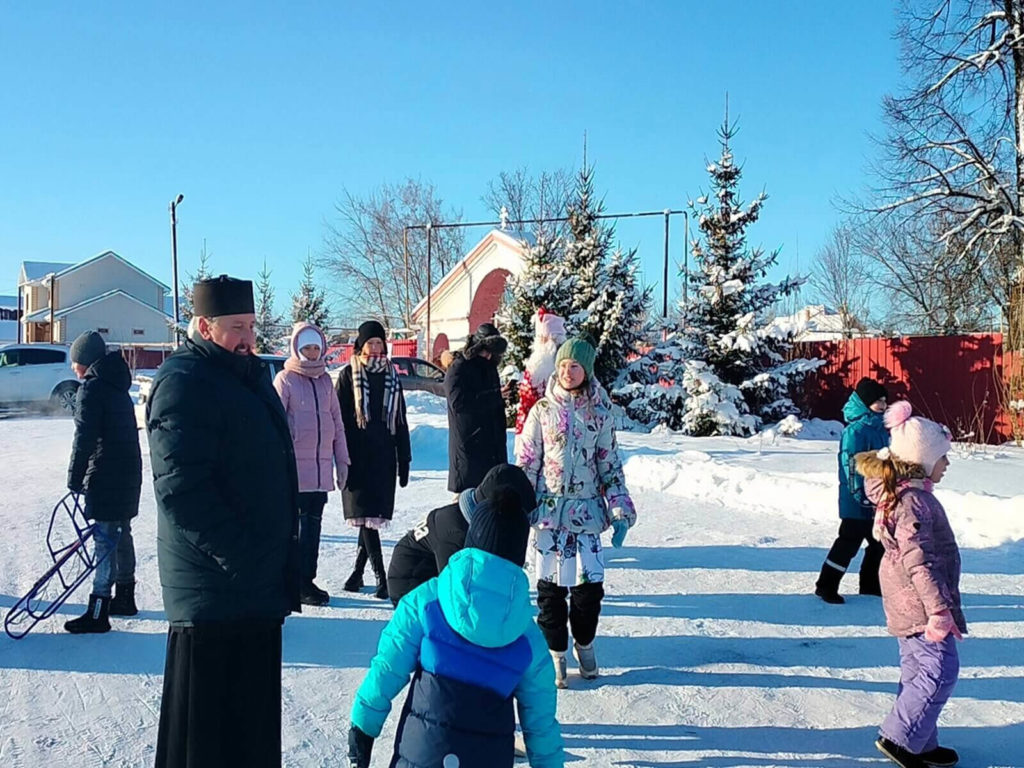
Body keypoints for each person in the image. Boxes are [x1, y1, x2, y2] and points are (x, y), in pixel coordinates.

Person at [146, 275, 301, 768]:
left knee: (249, 737)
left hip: (254, 590)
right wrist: (245, 558)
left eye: (252, 326)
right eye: (237, 327)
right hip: (212, 596)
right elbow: (182, 491)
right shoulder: (183, 381)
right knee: (205, 742)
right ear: (204, 326)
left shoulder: (248, 376)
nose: (248, 338)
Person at [346, 489, 565, 768]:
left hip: (423, 755)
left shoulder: (427, 600)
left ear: (471, 539)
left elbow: (388, 666)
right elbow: (541, 721)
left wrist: (363, 726)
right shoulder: (527, 636)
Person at [516, 336, 636, 688]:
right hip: (549, 517)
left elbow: (610, 466)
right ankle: (556, 654)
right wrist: (520, 506)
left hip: (587, 518)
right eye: (564, 365)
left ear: (587, 370)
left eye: (575, 365)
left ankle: (585, 643)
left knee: (588, 592)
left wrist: (619, 510)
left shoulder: (600, 414)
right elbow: (527, 463)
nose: (568, 372)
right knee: (550, 593)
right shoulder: (541, 411)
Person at [856, 401, 963, 768]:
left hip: (907, 598)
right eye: (943, 457)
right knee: (940, 671)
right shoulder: (914, 502)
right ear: (923, 460)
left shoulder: (908, 495)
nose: (947, 464)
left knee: (919, 670)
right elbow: (919, 561)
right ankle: (899, 739)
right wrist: (937, 610)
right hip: (920, 602)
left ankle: (920, 740)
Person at [63, 330, 142, 633]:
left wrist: (74, 478)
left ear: (86, 361)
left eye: (75, 362)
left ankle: (99, 609)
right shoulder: (117, 385)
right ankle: (125, 597)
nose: (74, 368)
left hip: (107, 475)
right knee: (121, 533)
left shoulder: (93, 389)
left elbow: (84, 437)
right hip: (127, 474)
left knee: (105, 539)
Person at [273, 322, 350, 607]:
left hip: (319, 473)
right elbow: (275, 424)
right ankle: (289, 581)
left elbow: (337, 424)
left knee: (313, 530)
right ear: (297, 348)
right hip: (292, 474)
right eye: (306, 347)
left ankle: (307, 580)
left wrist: (342, 460)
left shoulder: (326, 381)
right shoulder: (285, 379)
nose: (312, 352)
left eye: (316, 347)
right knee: (293, 531)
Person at [386, 463, 536, 605]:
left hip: (428, 574)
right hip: (409, 582)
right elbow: (453, 588)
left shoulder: (466, 520)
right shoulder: (455, 533)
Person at [337, 320, 411, 601]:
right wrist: (341, 456)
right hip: (356, 458)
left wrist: (404, 458)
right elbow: (340, 420)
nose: (376, 348)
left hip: (382, 458)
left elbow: (401, 420)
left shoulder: (392, 377)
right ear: (361, 346)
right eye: (371, 343)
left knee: (369, 518)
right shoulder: (348, 375)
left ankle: (357, 574)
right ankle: (382, 577)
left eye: (380, 343)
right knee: (364, 517)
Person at [815, 377, 890, 604]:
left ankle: (870, 586)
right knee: (847, 544)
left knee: (879, 544)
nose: (883, 405)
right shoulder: (855, 431)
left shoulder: (881, 427)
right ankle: (826, 586)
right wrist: (860, 495)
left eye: (885, 400)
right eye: (878, 400)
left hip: (878, 498)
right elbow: (851, 465)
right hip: (856, 500)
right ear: (866, 402)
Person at [445, 322, 509, 494]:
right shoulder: (459, 367)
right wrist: (496, 395)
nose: (488, 356)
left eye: (492, 353)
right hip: (470, 445)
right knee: (468, 501)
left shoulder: (490, 368)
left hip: (492, 445)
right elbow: (459, 402)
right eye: (485, 351)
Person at [514, 308, 567, 438]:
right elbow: (525, 405)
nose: (540, 342)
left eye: (543, 338)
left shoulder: (564, 368)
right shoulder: (535, 368)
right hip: (534, 432)